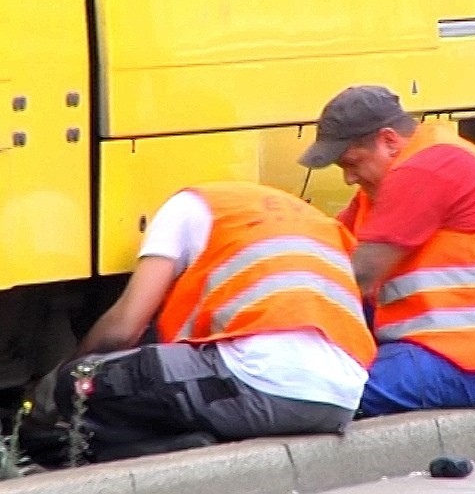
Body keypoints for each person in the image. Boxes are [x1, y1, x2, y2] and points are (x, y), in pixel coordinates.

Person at [31, 181, 375, 462]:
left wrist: (62, 379)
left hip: (259, 384)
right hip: (340, 401)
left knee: (82, 381)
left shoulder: (184, 208)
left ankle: (175, 450)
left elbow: (123, 329)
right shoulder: (310, 220)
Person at [297, 85, 475, 417]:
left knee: (320, 395)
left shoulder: (427, 169)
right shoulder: (399, 173)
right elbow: (329, 250)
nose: (349, 178)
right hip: (457, 352)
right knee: (314, 385)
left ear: (389, 140)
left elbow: (355, 277)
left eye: (352, 163)